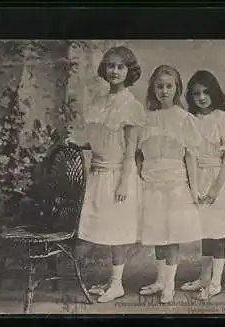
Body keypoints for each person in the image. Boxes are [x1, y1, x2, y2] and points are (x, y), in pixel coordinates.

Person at [67, 46, 146, 303]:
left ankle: (117, 284)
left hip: (118, 174)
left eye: (120, 67)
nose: (114, 71)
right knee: (98, 227)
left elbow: (129, 149)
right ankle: (110, 281)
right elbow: (102, 138)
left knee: (117, 231)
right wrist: (81, 144)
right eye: (110, 66)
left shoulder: (130, 106)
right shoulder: (99, 102)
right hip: (98, 173)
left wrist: (124, 182)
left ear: (129, 71)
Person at [137, 65, 203, 304]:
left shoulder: (185, 119)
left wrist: (194, 189)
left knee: (172, 234)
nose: (164, 91)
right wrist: (137, 176)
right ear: (153, 88)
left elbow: (191, 157)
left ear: (177, 89)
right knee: (157, 233)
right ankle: (159, 280)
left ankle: (169, 285)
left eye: (169, 86)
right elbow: (139, 154)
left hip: (175, 182)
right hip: (151, 180)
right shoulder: (145, 118)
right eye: (159, 86)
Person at [179, 70, 225, 300]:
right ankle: (204, 277)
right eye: (196, 94)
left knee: (219, 232)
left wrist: (215, 189)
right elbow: (190, 156)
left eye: (206, 92)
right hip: (200, 177)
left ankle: (215, 282)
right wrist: (194, 188)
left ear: (214, 93)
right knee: (205, 229)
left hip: (219, 179)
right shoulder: (191, 121)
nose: (202, 97)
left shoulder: (223, 118)